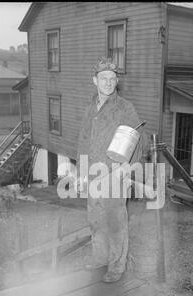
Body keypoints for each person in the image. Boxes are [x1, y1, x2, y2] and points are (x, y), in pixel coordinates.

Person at [76, 57, 149, 283]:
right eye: (104, 78)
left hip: (114, 177)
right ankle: (100, 259)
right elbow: (83, 142)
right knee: (96, 220)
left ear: (117, 81)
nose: (108, 82)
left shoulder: (124, 108)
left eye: (112, 78)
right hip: (93, 176)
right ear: (94, 81)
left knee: (115, 223)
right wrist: (81, 172)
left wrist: (127, 166)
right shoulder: (90, 108)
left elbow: (141, 139)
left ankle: (117, 268)